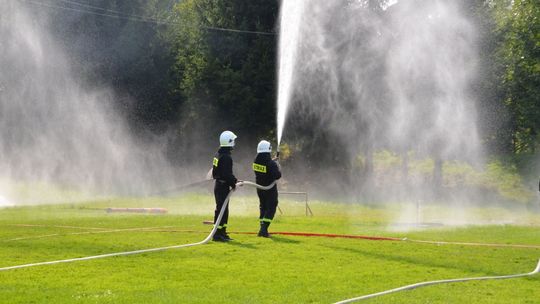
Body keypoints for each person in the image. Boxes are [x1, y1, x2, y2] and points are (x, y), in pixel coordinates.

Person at [211, 130, 238, 242]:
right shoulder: (226, 157)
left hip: (219, 185)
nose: (235, 143)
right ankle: (218, 234)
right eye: (233, 141)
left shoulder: (218, 154)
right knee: (221, 210)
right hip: (222, 186)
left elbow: (216, 172)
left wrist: (232, 181)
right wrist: (234, 182)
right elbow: (227, 174)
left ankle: (222, 232)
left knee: (223, 210)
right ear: (229, 142)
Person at [253, 140, 282, 237]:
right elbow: (277, 176)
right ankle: (263, 230)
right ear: (268, 149)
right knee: (271, 208)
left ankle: (262, 228)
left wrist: (273, 162)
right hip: (269, 189)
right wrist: (277, 166)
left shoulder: (256, 161)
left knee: (263, 207)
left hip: (260, 188)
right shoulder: (271, 164)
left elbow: (265, 166)